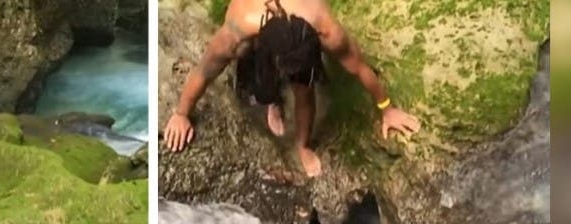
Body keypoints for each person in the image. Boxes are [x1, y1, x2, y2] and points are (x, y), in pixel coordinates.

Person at [163, 0, 421, 177]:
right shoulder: (240, 25)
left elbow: (359, 67)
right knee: (261, 85)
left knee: (303, 86)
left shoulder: (324, 24)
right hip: (263, 37)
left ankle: (302, 146)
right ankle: (272, 101)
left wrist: (387, 109)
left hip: (294, 38)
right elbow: (205, 70)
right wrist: (182, 113)